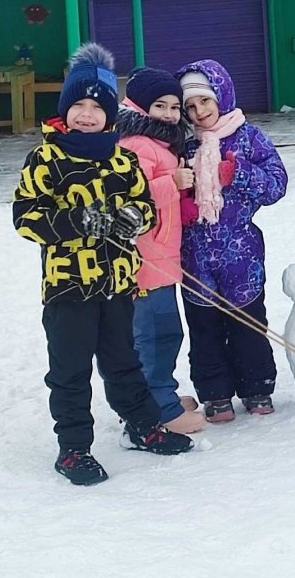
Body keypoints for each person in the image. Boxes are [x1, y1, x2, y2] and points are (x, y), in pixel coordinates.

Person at [12, 43, 194, 487]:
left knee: (123, 361)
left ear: (111, 114)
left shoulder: (122, 159)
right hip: (68, 287)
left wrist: (135, 217)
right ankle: (73, 449)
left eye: (97, 106)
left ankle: (143, 425)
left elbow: (145, 207)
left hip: (118, 282)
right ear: (65, 110)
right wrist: (80, 220)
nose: (88, 114)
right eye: (79, 105)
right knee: (70, 371)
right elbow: (26, 217)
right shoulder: (46, 159)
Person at [175, 59, 288, 423]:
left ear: (221, 96)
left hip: (241, 251)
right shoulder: (180, 143)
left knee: (248, 322)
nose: (199, 112)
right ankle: (215, 393)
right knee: (204, 327)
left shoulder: (249, 137)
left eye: (205, 102)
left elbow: (276, 184)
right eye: (190, 106)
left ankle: (257, 386)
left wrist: (236, 172)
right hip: (194, 251)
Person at [117, 67, 205, 435]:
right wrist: (172, 181)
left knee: (163, 332)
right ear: (139, 106)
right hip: (145, 260)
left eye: (173, 107)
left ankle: (157, 395)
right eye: (160, 106)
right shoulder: (135, 144)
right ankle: (160, 408)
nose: (169, 114)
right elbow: (128, 197)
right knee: (155, 335)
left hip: (161, 256)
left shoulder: (157, 141)